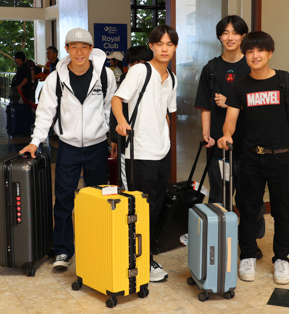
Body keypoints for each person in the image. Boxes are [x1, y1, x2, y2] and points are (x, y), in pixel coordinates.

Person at [19, 28, 116, 270]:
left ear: (91, 49)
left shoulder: (105, 75)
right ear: (67, 50)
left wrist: (110, 135)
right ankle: (63, 250)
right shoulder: (55, 79)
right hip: (68, 147)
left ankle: (95, 246)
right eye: (74, 47)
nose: (79, 52)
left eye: (84, 47)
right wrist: (35, 141)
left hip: (97, 147)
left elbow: (110, 108)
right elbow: (45, 113)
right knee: (63, 200)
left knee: (98, 200)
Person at [217, 31, 289, 285]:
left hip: (281, 158)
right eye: (249, 51)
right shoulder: (240, 86)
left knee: (282, 211)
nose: (254, 56)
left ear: (270, 53)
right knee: (248, 210)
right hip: (251, 158)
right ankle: (247, 256)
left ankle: (281, 259)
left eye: (260, 50)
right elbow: (231, 119)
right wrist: (227, 134)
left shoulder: (285, 80)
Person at [112, 25, 178, 283]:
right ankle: (135, 258)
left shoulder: (171, 78)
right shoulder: (141, 70)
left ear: (174, 47)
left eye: (169, 44)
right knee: (138, 207)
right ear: (151, 46)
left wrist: (167, 140)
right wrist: (121, 122)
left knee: (156, 206)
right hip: (138, 152)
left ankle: (146, 255)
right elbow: (117, 99)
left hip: (161, 152)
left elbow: (166, 113)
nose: (164, 48)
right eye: (159, 44)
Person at [194, 15, 250, 204]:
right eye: (225, 33)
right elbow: (205, 106)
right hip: (219, 144)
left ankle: (249, 225)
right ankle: (220, 224)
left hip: (249, 142)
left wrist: (231, 103)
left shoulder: (252, 67)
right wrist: (206, 134)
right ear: (219, 37)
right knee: (219, 196)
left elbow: (259, 106)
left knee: (249, 197)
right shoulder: (211, 68)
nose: (230, 38)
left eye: (235, 33)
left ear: (243, 36)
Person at [109, 45, 151, 188]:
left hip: (148, 143)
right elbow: (115, 110)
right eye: (132, 63)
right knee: (127, 182)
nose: (136, 67)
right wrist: (114, 139)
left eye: (140, 63)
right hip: (126, 142)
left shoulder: (156, 81)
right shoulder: (125, 80)